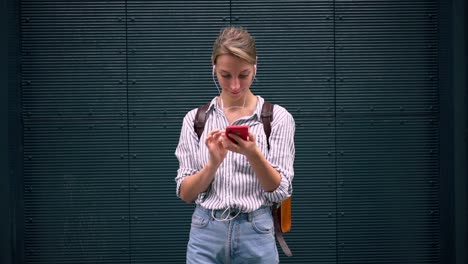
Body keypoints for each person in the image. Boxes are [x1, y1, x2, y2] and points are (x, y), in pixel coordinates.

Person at [175, 26, 295, 264]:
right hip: (205, 231)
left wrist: (253, 154)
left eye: (244, 74)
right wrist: (212, 164)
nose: (235, 86)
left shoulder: (277, 118)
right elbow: (186, 193)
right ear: (213, 67)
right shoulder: (195, 119)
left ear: (255, 66)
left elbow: (281, 190)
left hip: (257, 231)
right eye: (225, 75)